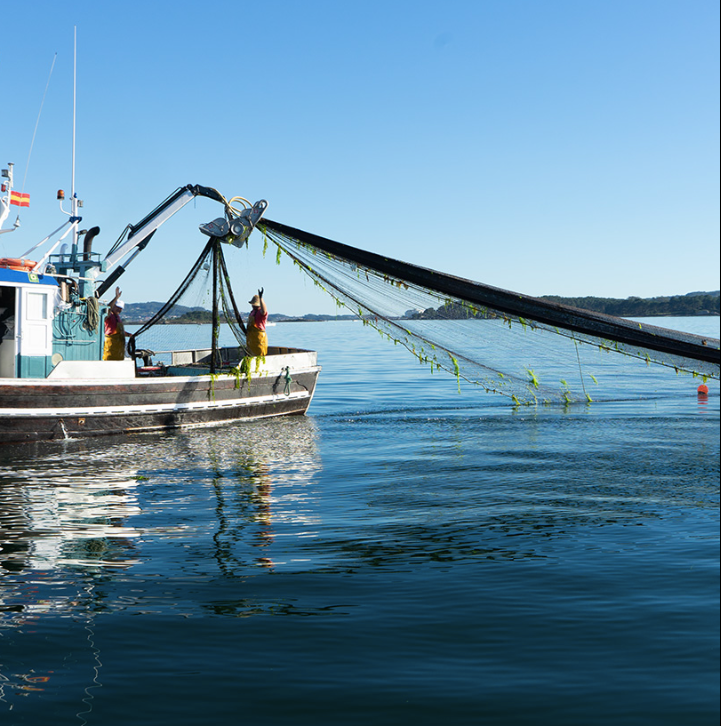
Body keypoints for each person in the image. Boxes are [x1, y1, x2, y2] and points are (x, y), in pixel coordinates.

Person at [103, 287, 131, 360]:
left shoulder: (118, 318)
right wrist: (116, 298)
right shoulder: (109, 315)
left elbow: (119, 331)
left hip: (118, 346)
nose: (119, 309)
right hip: (109, 345)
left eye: (121, 308)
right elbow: (108, 308)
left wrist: (129, 335)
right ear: (114, 306)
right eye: (117, 307)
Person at [246, 287, 268, 356]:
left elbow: (264, 310)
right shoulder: (252, 312)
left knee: (260, 355)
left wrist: (261, 298)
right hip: (251, 340)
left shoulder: (261, 313)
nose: (253, 306)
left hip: (259, 340)